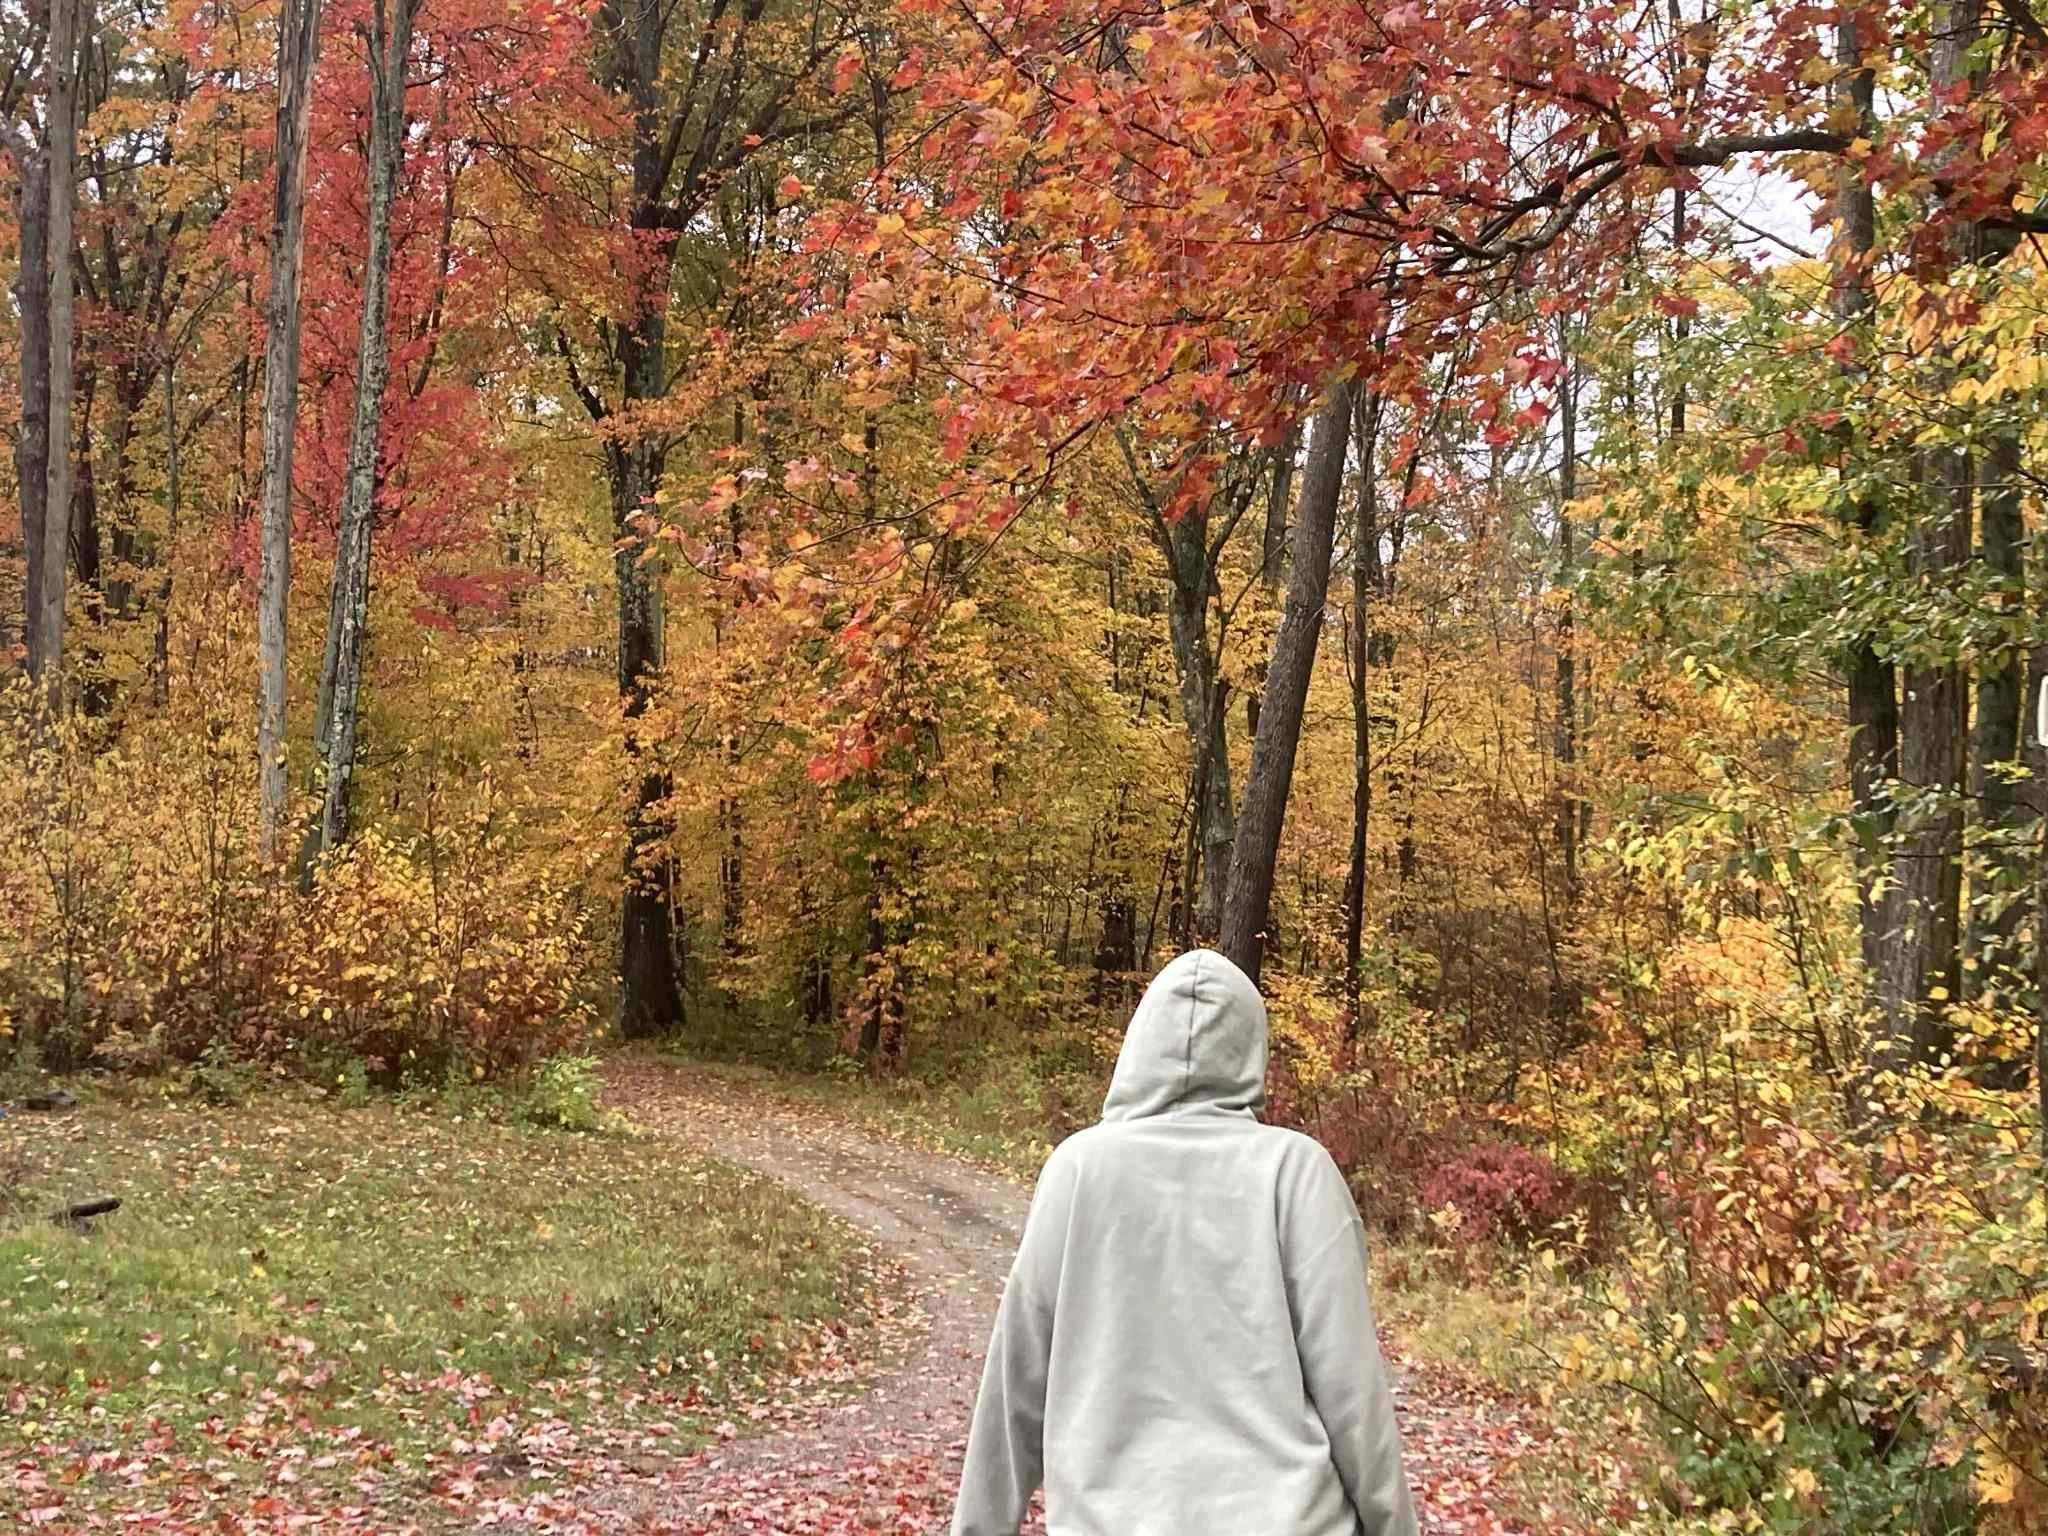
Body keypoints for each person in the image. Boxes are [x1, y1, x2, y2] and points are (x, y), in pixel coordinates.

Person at [950, 948, 1419, 1536]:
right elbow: (1355, 1394)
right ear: (1252, 1050)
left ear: (1138, 1045)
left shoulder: (1078, 1170)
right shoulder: (1295, 1171)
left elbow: (1015, 1383)